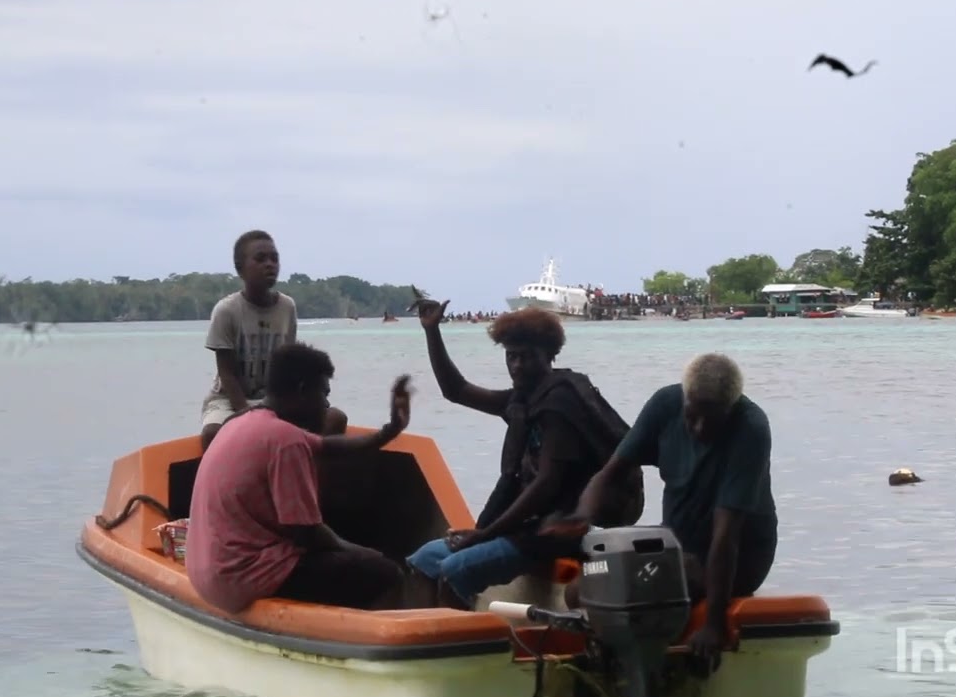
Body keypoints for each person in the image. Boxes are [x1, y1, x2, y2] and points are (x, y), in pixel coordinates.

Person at [541, 352, 777, 680]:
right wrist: (582, 515)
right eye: (693, 416)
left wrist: (713, 624)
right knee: (577, 592)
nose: (700, 429)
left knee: (640, 583)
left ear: (731, 409)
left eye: (713, 421)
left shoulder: (751, 428)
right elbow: (609, 474)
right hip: (677, 544)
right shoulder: (665, 404)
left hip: (737, 556)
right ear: (685, 398)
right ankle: (609, 657)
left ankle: (643, 670)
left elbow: (726, 537)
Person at [404, 299, 641, 610]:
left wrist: (484, 534)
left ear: (550, 356)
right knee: (425, 560)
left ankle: (457, 648)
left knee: (454, 569)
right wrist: (432, 331)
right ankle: (425, 637)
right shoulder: (522, 399)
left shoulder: (559, 403)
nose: (516, 366)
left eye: (526, 358)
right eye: (511, 357)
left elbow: (547, 484)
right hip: (525, 526)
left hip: (557, 529)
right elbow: (456, 390)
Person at [186, 342, 411, 614]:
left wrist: (389, 431)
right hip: (242, 576)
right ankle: (374, 648)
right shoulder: (286, 441)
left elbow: (328, 446)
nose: (327, 405)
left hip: (206, 571)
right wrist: (361, 552)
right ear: (304, 390)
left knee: (351, 563)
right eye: (323, 393)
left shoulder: (245, 421)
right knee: (387, 575)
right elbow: (306, 534)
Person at [198, 229, 347, 450]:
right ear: (240, 268)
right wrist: (246, 416)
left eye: (274, 258)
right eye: (260, 259)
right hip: (230, 400)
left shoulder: (287, 307)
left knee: (336, 419)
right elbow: (227, 374)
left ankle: (307, 475)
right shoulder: (226, 310)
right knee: (212, 434)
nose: (270, 264)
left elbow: (290, 366)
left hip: (277, 399)